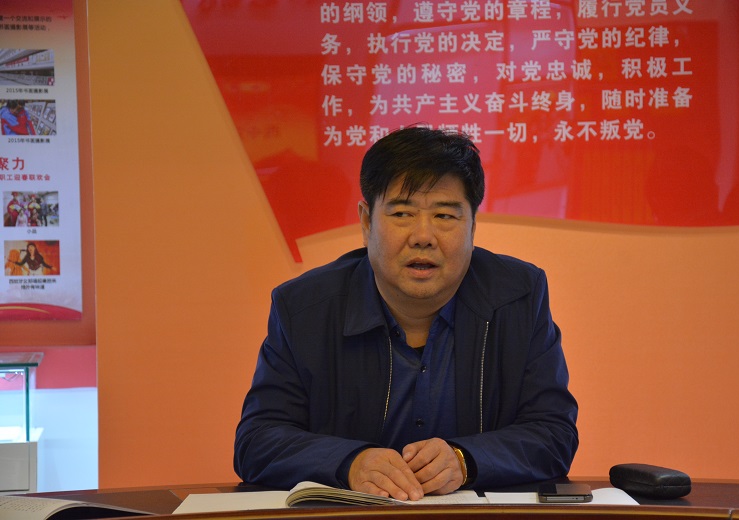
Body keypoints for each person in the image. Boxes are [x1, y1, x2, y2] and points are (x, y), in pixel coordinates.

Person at [234, 127, 578, 500]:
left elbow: (553, 433)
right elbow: (257, 441)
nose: (423, 236)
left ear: (473, 226)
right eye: (402, 213)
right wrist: (350, 463)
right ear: (366, 222)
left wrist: (466, 460)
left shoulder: (518, 296)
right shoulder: (305, 308)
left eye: (444, 215)